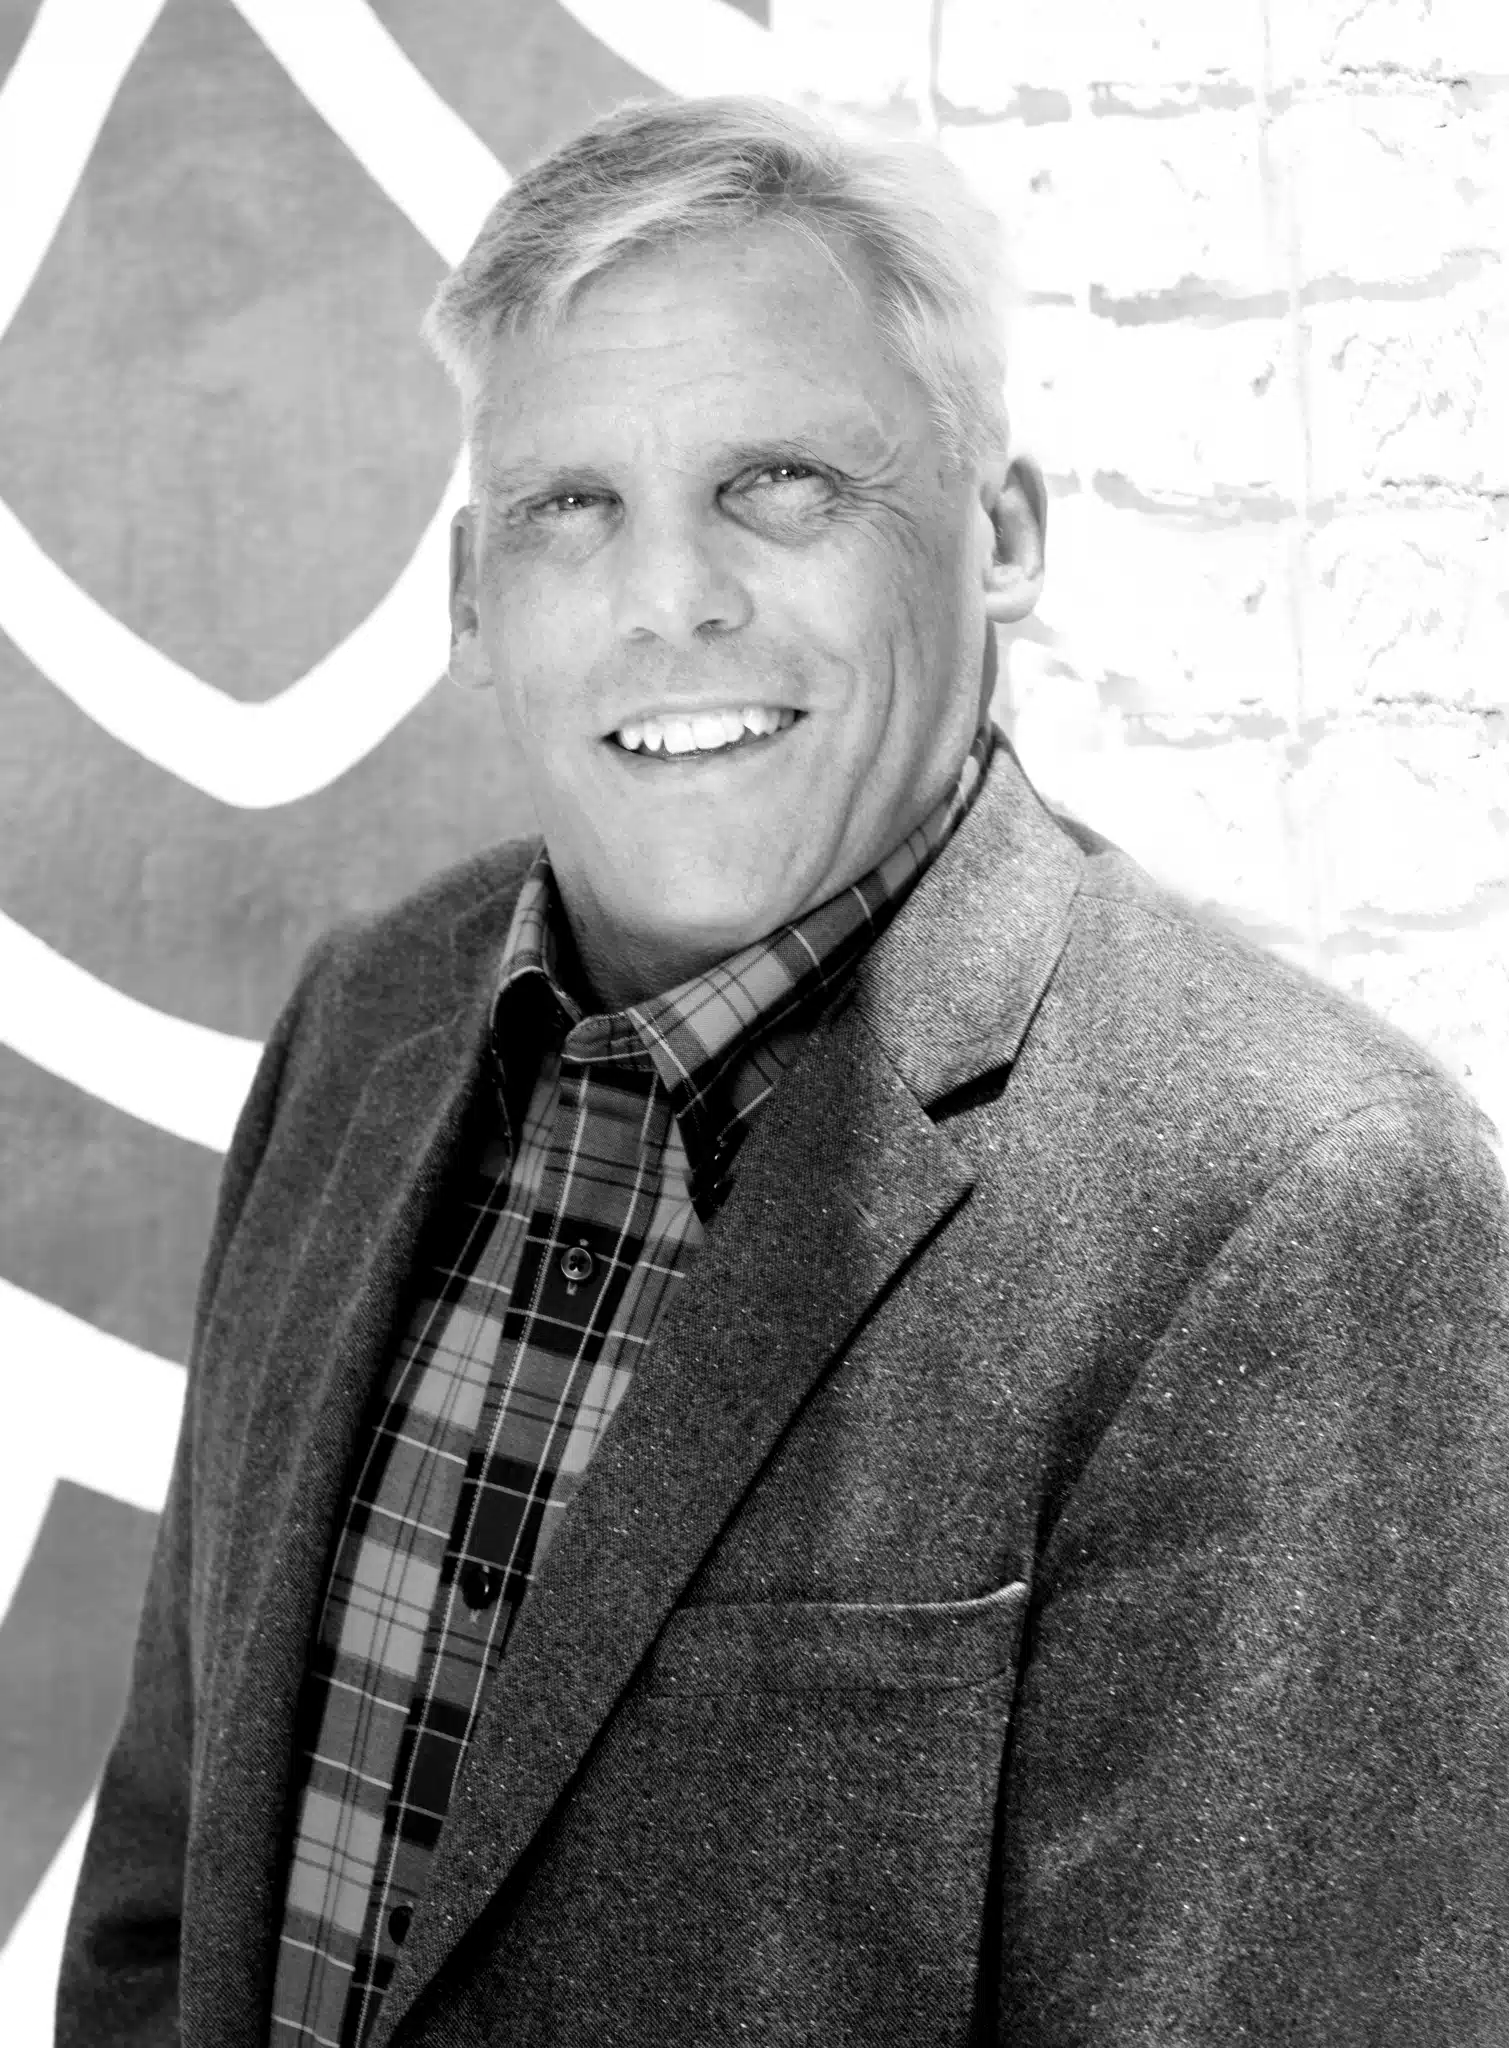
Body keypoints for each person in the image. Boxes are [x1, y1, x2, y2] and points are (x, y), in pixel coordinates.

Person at [58, 94, 1508, 2048]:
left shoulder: (1297, 1206)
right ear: (472, 592)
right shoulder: (362, 1023)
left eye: (782, 483)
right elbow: (165, 1897)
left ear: (1001, 536)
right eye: (572, 505)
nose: (671, 595)